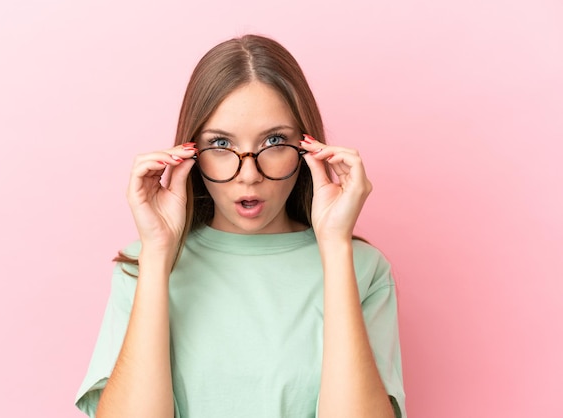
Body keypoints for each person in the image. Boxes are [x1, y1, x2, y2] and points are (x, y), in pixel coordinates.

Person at [75, 34, 406, 418]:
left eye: (275, 140)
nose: (249, 175)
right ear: (190, 153)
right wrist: (158, 253)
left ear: (308, 148)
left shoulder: (363, 269)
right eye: (220, 144)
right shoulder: (142, 263)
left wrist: (334, 247)